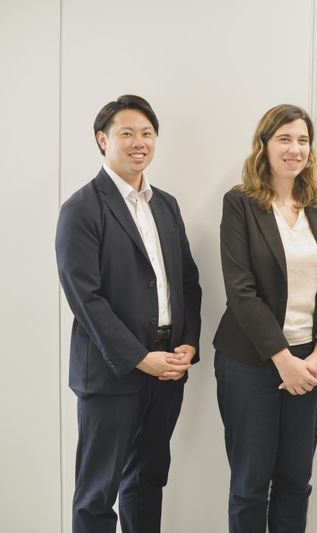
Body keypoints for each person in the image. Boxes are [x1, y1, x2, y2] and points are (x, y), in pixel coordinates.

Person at [55, 94, 202, 533]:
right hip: (111, 373)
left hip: (167, 369)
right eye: (127, 133)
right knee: (97, 496)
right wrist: (139, 357)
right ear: (103, 140)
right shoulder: (81, 208)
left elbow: (187, 282)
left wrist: (187, 343)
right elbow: (86, 299)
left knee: (146, 483)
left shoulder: (166, 205)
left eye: (147, 133)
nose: (140, 142)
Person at [213, 104, 317, 532]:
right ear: (265, 145)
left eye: (303, 140)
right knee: (250, 484)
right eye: (284, 139)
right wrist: (283, 358)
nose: (295, 149)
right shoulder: (240, 203)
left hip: (311, 364)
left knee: (295, 482)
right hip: (250, 361)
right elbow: (241, 291)